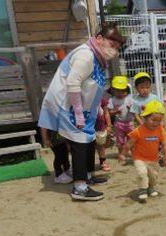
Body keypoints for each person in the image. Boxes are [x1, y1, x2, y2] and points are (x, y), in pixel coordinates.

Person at [38, 24, 125, 201]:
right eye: (111, 44)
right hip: (69, 107)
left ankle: (88, 175)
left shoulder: (96, 57)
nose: (113, 50)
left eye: (117, 48)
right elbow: (73, 83)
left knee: (89, 139)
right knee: (79, 142)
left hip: (83, 108)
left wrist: (98, 108)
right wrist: (78, 113)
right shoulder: (86, 55)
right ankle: (79, 187)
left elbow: (92, 87)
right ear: (99, 39)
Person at [118, 100, 166, 203]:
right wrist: (122, 154)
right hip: (139, 158)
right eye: (153, 120)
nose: (156, 123)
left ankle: (151, 187)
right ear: (145, 117)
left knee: (153, 176)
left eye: (159, 121)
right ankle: (142, 190)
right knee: (142, 173)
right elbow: (129, 144)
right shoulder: (138, 131)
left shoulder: (160, 130)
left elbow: (165, 145)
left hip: (153, 159)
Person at [107, 76, 135, 158]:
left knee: (132, 139)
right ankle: (121, 154)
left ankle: (133, 153)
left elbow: (136, 110)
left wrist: (131, 108)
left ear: (125, 91)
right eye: (117, 90)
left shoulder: (129, 99)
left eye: (122, 90)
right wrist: (114, 112)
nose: (119, 93)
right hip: (118, 124)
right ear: (113, 90)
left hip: (130, 123)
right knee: (120, 140)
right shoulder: (112, 100)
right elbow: (109, 113)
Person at [95, 97, 112, 171]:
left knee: (100, 145)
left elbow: (106, 113)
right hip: (87, 127)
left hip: (100, 127)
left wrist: (109, 125)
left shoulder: (101, 100)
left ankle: (103, 161)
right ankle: (87, 163)